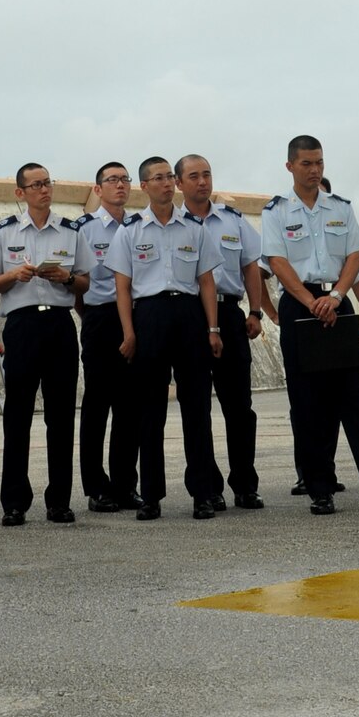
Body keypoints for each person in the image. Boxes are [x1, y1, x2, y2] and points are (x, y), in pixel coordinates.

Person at [260, 136, 359, 516]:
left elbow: (354, 255)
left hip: (337, 302)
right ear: (290, 167)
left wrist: (336, 295)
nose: (315, 171)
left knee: (357, 401)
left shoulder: (340, 208)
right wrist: (310, 300)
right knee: (309, 404)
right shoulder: (275, 212)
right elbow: (277, 261)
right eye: (307, 164)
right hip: (299, 306)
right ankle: (320, 489)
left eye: (320, 163)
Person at [108, 156, 225, 522]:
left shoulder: (194, 228)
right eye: (156, 179)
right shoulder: (130, 231)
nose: (164, 184)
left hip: (189, 317)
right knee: (150, 412)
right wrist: (129, 332)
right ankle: (152, 496)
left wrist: (213, 329)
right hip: (150, 318)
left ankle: (203, 494)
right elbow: (123, 289)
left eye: (168, 178)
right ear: (144, 186)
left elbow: (207, 282)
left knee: (197, 410)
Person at [0, 163, 85, 525]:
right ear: (20, 193)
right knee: (18, 415)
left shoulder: (70, 230)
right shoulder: (5, 231)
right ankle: (14, 502)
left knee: (60, 416)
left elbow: (85, 281)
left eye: (47, 183)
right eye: (36, 185)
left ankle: (59, 500)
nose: (44, 189)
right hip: (22, 325)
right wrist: (13, 275)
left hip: (58, 323)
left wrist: (67, 277)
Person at [173, 153, 265, 508]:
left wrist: (255, 311)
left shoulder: (233, 221)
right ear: (179, 183)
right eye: (193, 176)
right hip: (188, 317)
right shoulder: (174, 224)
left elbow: (250, 267)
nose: (202, 182)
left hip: (229, 313)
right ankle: (206, 487)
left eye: (207, 174)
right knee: (195, 406)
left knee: (239, 405)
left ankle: (245, 484)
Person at [74, 160, 141, 513]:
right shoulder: (84, 228)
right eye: (112, 180)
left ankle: (125, 485)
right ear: (98, 189)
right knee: (98, 404)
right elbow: (78, 283)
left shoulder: (139, 225)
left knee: (130, 406)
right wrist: (93, 317)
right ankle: (96, 487)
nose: (120, 185)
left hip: (135, 317)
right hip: (100, 318)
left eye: (124, 180)